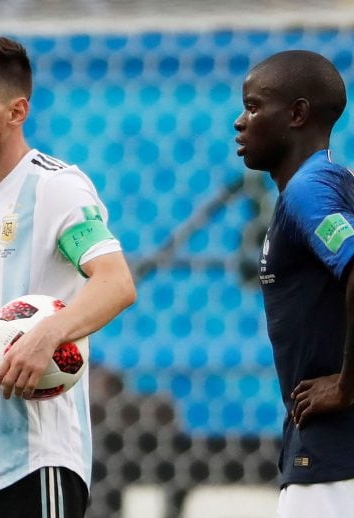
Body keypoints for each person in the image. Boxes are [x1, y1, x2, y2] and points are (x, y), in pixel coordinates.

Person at [0, 35, 136, 517]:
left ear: (16, 111)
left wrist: (48, 335)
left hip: (34, 463)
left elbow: (115, 281)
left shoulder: (55, 188)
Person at [234, 50, 354, 517]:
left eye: (254, 106)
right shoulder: (335, 184)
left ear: (298, 114)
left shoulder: (310, 190)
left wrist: (346, 385)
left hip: (333, 462)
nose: (240, 122)